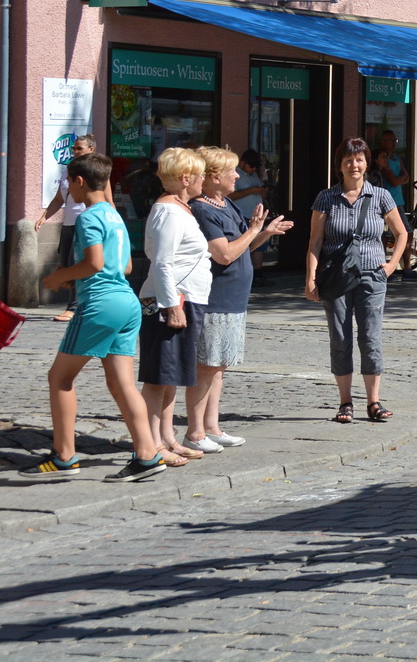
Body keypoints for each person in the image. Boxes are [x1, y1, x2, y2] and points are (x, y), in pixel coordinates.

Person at [17, 153, 167, 482]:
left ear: (79, 182)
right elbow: (125, 266)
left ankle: (64, 455)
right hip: (127, 302)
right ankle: (147, 454)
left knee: (60, 379)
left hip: (99, 305)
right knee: (122, 383)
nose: (69, 188)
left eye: (69, 182)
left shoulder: (87, 217)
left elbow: (95, 264)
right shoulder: (115, 216)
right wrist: (78, 275)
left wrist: (61, 277)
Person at [185, 146, 292, 453]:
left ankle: (212, 427)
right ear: (213, 177)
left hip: (234, 299)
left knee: (219, 366)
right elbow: (225, 253)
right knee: (206, 367)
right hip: (215, 298)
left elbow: (243, 244)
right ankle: (194, 431)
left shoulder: (225, 205)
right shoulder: (203, 210)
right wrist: (255, 230)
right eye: (231, 171)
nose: (237, 176)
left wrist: (265, 232)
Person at [305, 137, 407, 424]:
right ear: (340, 165)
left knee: (370, 337)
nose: (354, 164)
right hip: (335, 276)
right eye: (349, 160)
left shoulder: (381, 196)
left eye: (359, 159)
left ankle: (373, 402)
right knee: (340, 337)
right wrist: (310, 279)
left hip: (372, 276)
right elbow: (315, 242)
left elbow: (401, 233)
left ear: (366, 162)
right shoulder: (326, 198)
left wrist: (390, 266)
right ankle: (345, 402)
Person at [137, 146, 212, 466]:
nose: (203, 180)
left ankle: (166, 437)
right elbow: (163, 263)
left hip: (184, 298)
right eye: (200, 176)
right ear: (185, 179)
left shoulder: (180, 208)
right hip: (168, 301)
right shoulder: (167, 211)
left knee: (170, 376)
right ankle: (150, 443)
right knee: (158, 377)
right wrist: (171, 306)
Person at [36, 135, 98, 322]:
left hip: (84, 222)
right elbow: (59, 199)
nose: (75, 151)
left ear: (91, 150)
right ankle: (78, 306)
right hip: (68, 224)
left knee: (76, 263)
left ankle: (74, 307)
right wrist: (44, 217)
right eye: (74, 148)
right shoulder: (67, 171)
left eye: (79, 148)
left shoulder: (95, 171)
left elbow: (105, 198)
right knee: (65, 263)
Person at [374, 129, 409, 209]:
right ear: (382, 142)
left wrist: (398, 179)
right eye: (391, 140)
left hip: (399, 200)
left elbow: (407, 177)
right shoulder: (383, 159)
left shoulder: (396, 157)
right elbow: (394, 181)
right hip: (388, 202)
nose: (394, 142)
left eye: (395, 140)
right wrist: (401, 178)